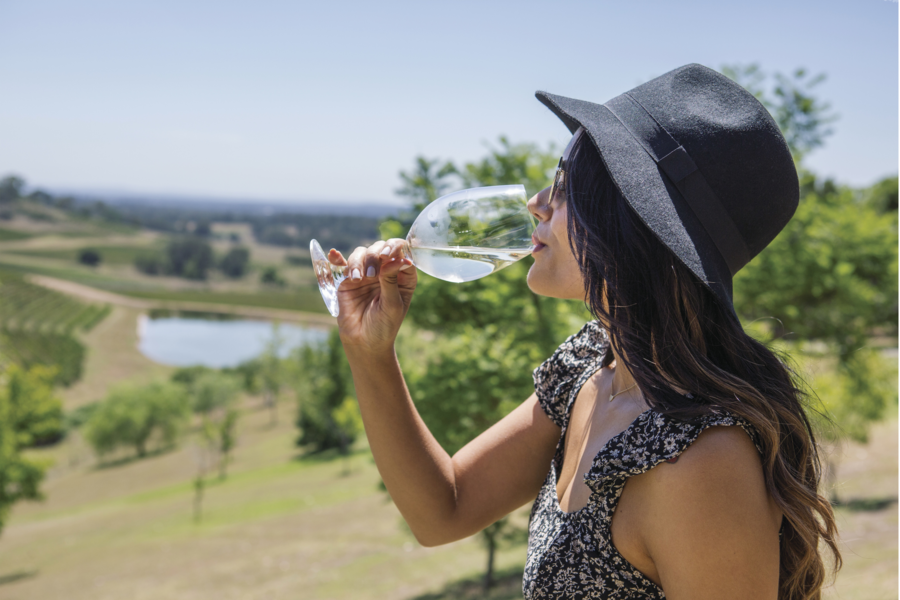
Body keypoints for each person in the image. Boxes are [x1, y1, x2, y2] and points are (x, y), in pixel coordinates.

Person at [326, 63, 841, 599]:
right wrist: (371, 352)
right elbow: (443, 511)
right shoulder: (590, 370)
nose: (536, 204)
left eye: (565, 187)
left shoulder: (700, 461)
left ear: (632, 223)